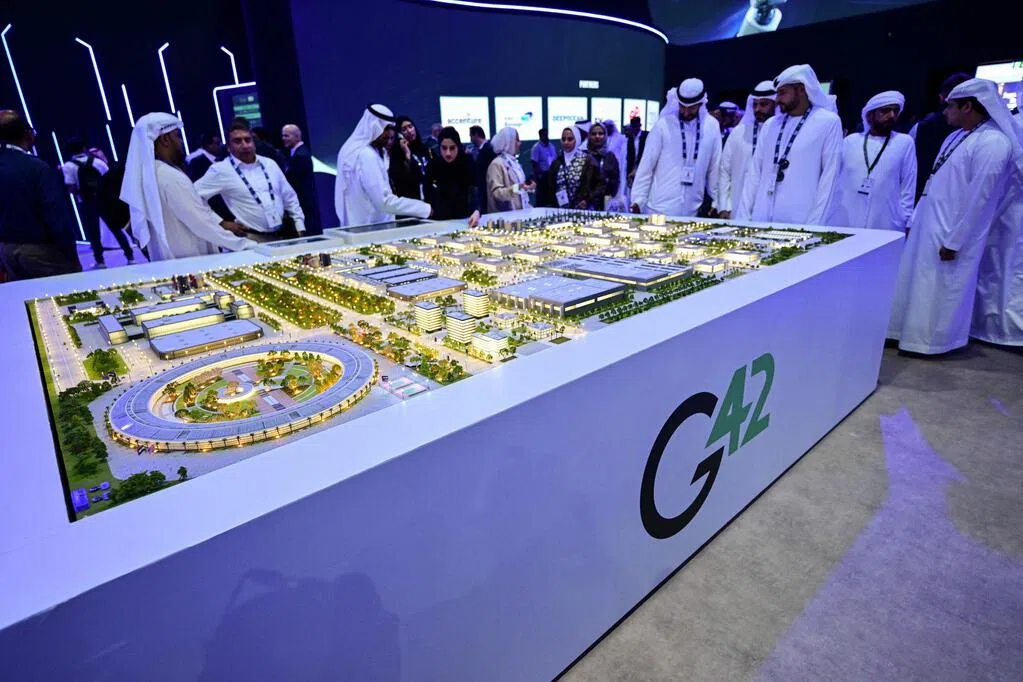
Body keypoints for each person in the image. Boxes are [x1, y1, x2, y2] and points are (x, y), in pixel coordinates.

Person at [888, 79, 1019, 355]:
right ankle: (905, 335)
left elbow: (980, 199)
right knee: (918, 282)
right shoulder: (956, 136)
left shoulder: (995, 143)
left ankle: (931, 343)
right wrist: (915, 219)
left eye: (950, 106)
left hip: (953, 231)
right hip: (928, 224)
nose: (945, 111)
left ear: (968, 106)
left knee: (940, 287)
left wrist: (955, 241)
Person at [120, 112, 256, 261]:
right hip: (191, 259)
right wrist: (243, 245)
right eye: (177, 135)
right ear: (165, 139)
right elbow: (201, 223)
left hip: (171, 261)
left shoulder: (152, 174)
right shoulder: (169, 176)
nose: (180, 142)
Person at [738, 64, 843, 225]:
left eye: (782, 93)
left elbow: (829, 180)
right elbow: (754, 174)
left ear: (801, 89)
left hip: (801, 223)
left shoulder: (828, 122)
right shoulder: (770, 125)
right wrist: (742, 219)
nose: (777, 99)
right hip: (761, 219)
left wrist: (814, 227)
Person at [0, 110, 82, 280]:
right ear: (27, 134)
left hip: (6, 252)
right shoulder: (36, 167)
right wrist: (71, 254)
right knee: (67, 294)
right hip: (42, 252)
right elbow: (56, 217)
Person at [195, 119, 306, 241]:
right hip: (250, 240)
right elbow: (192, 196)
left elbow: (289, 196)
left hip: (283, 236)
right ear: (229, 147)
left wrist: (299, 225)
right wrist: (220, 222)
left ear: (254, 142)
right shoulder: (220, 170)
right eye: (237, 141)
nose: (245, 145)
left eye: (248, 140)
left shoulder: (270, 164)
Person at [971, 98, 1023, 346]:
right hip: (1009, 209)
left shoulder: (1010, 124)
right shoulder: (1011, 123)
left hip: (1011, 209)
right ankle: (998, 327)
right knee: (1003, 265)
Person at [631, 78, 722, 217]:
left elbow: (714, 168)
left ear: (701, 104)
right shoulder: (663, 125)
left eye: (691, 108)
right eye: (682, 106)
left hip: (692, 212)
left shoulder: (711, 127)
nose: (686, 112)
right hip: (658, 209)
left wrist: (717, 201)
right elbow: (647, 165)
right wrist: (638, 200)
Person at [827, 91, 917, 232]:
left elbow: (908, 184)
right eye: (885, 111)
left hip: (886, 222)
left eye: (895, 111)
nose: (891, 115)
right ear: (870, 115)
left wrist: (904, 219)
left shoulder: (905, 142)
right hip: (845, 220)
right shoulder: (850, 141)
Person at [334, 104, 432, 226]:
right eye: (386, 132)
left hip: (356, 226)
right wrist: (424, 209)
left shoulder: (349, 149)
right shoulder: (367, 155)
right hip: (372, 227)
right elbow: (384, 201)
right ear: (375, 127)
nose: (389, 138)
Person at [62, 137, 132, 267]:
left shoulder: (69, 166)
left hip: (86, 202)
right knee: (115, 228)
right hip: (104, 200)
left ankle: (100, 261)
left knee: (93, 232)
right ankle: (130, 256)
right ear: (84, 147)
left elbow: (71, 186)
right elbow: (110, 179)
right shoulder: (98, 162)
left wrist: (80, 193)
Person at [718, 81, 776, 220]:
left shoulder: (780, 135)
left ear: (776, 105)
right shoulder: (739, 132)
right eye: (754, 105)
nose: (757, 109)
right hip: (737, 207)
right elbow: (725, 171)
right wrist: (724, 206)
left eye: (763, 104)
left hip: (769, 210)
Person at [910, 72, 971, 202]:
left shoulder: (920, 127)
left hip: (922, 199)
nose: (946, 111)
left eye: (951, 105)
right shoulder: (980, 134)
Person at [424, 127, 480, 224]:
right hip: (439, 221)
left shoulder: (467, 163)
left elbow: (476, 189)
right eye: (444, 148)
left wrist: (477, 210)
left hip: (465, 219)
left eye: (452, 148)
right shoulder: (433, 166)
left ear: (458, 146)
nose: (448, 153)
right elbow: (427, 192)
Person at [281, 123, 322, 234]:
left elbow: (293, 182)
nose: (283, 138)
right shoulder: (297, 153)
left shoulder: (300, 156)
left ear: (297, 137)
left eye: (286, 136)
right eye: (283, 135)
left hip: (303, 203)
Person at [548, 125, 598, 210]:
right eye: (563, 139)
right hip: (561, 210)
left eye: (570, 139)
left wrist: (588, 199)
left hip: (582, 210)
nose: (566, 142)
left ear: (577, 139)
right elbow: (550, 187)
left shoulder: (587, 160)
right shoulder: (556, 162)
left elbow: (599, 184)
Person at [486, 127, 535, 212]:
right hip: (505, 216)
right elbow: (497, 193)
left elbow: (520, 189)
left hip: (520, 213)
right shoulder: (496, 164)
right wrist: (517, 188)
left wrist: (528, 188)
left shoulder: (514, 163)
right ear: (509, 142)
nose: (520, 143)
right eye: (517, 140)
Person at [389, 115, 431, 200]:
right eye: (404, 129)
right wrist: (407, 153)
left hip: (430, 198)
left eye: (410, 126)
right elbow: (404, 181)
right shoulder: (397, 156)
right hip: (411, 200)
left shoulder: (426, 150)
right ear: (399, 135)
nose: (409, 131)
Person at [584, 121, 621, 211]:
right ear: (589, 136)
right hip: (586, 204)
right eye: (593, 134)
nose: (597, 136)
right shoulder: (583, 155)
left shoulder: (610, 156)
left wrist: (606, 181)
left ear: (605, 136)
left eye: (600, 133)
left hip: (605, 203)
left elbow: (616, 180)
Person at [469, 125, 495, 213]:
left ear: (476, 135)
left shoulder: (488, 149)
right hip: (483, 187)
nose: (470, 139)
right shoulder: (482, 150)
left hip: (486, 186)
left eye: (471, 136)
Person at [530, 128, 556, 206]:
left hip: (552, 175)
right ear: (540, 136)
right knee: (542, 200)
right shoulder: (536, 147)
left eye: (547, 135)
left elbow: (555, 159)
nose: (546, 137)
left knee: (551, 199)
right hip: (542, 177)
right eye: (544, 135)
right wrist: (540, 176)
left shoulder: (551, 146)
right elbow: (534, 164)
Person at [625, 116, 648, 191]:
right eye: (633, 126)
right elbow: (629, 155)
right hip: (632, 167)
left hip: (643, 165)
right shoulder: (630, 138)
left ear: (639, 125)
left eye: (636, 125)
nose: (634, 128)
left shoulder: (646, 136)